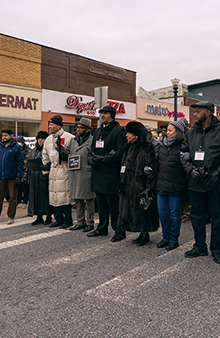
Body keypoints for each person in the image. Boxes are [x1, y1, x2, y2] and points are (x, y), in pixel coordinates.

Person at [180, 101, 220, 264]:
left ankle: (216, 249)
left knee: (217, 217)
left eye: (198, 111)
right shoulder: (191, 133)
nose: (195, 114)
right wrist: (190, 169)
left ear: (208, 112)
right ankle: (199, 246)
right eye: (195, 112)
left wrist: (219, 175)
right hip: (195, 181)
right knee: (197, 216)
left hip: (215, 182)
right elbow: (183, 154)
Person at [87, 105, 127, 242]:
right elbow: (91, 150)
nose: (102, 115)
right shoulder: (98, 131)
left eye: (105, 113)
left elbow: (120, 152)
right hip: (98, 173)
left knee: (113, 204)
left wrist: (103, 159)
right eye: (101, 113)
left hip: (111, 173)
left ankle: (119, 230)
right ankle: (102, 227)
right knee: (101, 203)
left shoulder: (119, 130)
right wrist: (91, 159)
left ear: (112, 115)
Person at [116, 121, 159, 246]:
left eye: (129, 133)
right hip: (127, 182)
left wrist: (148, 182)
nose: (127, 135)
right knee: (130, 209)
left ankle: (145, 233)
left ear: (136, 135)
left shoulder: (148, 147)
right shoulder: (127, 147)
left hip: (140, 184)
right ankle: (139, 231)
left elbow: (152, 166)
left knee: (142, 209)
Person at [155, 119, 189, 251]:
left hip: (176, 186)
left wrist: (188, 157)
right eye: (167, 130)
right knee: (163, 213)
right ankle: (165, 237)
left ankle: (174, 239)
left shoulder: (183, 146)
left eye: (170, 130)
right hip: (161, 185)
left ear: (178, 132)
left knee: (174, 214)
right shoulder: (162, 146)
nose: (166, 133)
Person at [42, 115, 74, 229]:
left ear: (59, 125)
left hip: (64, 169)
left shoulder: (69, 138)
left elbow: (73, 155)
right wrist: (45, 169)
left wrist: (67, 158)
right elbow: (44, 155)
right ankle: (58, 219)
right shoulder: (48, 139)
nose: (50, 126)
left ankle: (68, 220)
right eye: (49, 124)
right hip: (53, 170)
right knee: (54, 195)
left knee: (64, 195)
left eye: (52, 124)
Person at [0, 129, 24, 224]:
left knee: (12, 197)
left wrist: (19, 176)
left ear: (11, 136)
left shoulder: (17, 147)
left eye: (6, 135)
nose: (4, 137)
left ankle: (10, 217)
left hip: (12, 177)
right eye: (3, 135)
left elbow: (20, 163)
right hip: (1, 177)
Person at [67, 117, 96, 232]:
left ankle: (90, 222)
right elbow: (67, 152)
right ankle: (80, 221)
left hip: (86, 172)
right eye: (77, 127)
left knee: (89, 199)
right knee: (77, 198)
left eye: (81, 128)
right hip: (75, 172)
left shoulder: (92, 140)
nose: (78, 129)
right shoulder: (73, 141)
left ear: (87, 129)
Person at [27, 130, 52, 225]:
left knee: (45, 197)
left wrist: (43, 167)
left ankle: (48, 216)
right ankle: (39, 216)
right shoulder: (33, 150)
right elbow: (28, 164)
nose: (40, 141)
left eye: (42, 138)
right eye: (39, 139)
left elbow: (51, 163)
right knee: (35, 197)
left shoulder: (47, 149)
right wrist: (26, 177)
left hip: (44, 176)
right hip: (34, 176)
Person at [15, 136, 30, 208]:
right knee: (18, 188)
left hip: (24, 172)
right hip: (17, 172)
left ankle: (25, 201)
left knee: (25, 188)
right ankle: (17, 201)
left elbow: (27, 161)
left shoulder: (28, 151)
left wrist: (20, 165)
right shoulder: (15, 150)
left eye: (19, 143)